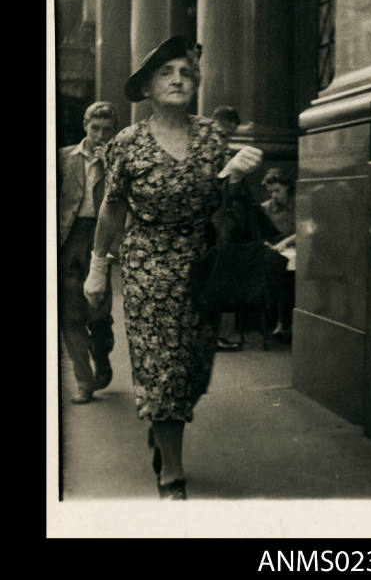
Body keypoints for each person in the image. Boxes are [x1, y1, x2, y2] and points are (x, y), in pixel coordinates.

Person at [83, 35, 262, 499]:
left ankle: (162, 422)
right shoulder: (129, 142)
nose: (178, 80)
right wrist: (98, 267)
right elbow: (111, 208)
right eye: (167, 73)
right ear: (146, 88)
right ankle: (172, 474)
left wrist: (234, 176)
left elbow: (221, 205)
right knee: (163, 368)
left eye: (185, 72)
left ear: (197, 82)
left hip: (201, 270)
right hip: (146, 269)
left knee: (193, 368)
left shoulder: (211, 137)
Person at [59, 101, 119, 404]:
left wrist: (110, 164)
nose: (100, 135)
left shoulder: (118, 160)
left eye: (107, 130)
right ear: (85, 125)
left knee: (97, 313)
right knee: (69, 316)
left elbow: (123, 203)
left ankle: (103, 354)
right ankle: (84, 382)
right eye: (95, 128)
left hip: (101, 239)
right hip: (69, 240)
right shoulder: (63, 157)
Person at [211, 105, 243, 351]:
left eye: (228, 136)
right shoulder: (212, 152)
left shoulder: (224, 153)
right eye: (223, 134)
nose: (225, 141)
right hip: (213, 223)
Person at [261, 167, 296, 343]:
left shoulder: (299, 204)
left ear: (287, 187)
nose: (274, 195)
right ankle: (280, 323)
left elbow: (306, 229)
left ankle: (285, 323)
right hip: (277, 255)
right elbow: (260, 232)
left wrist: (286, 242)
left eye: (277, 190)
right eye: (271, 191)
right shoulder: (267, 208)